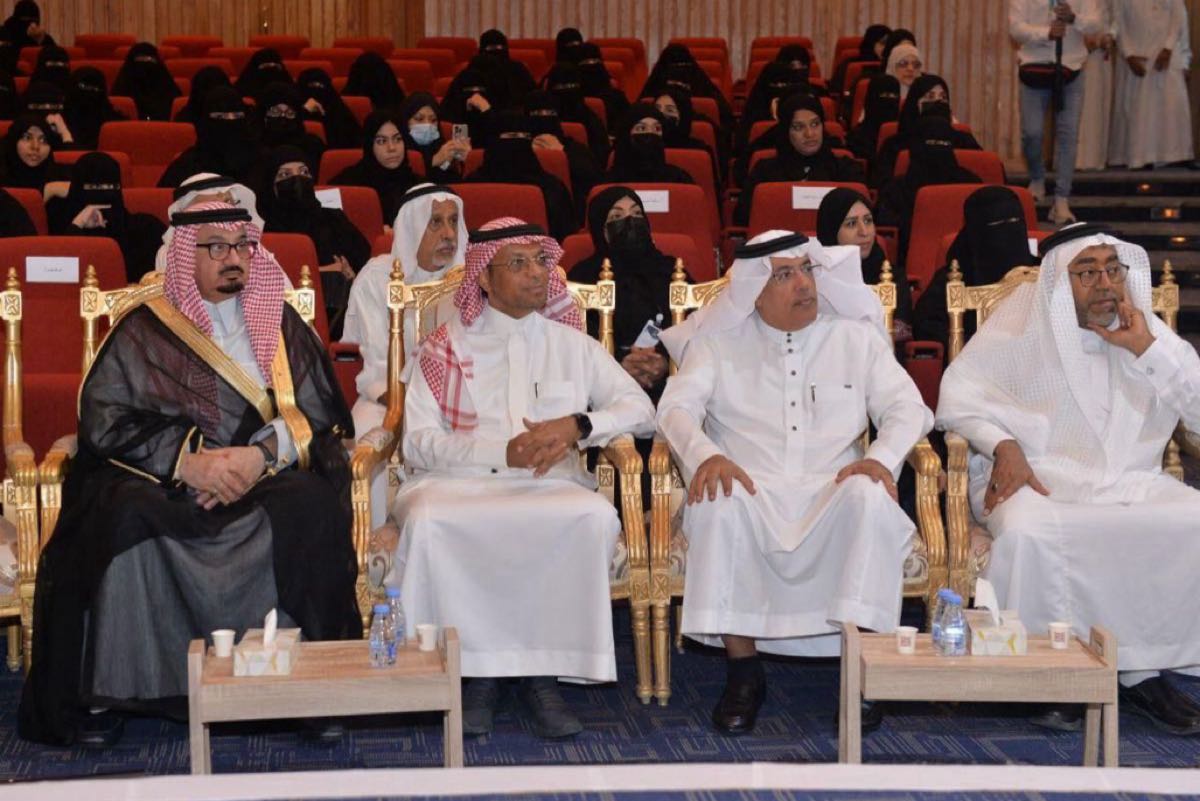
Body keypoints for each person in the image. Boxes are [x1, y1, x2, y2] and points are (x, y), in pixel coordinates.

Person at [17, 200, 362, 748]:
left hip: (262, 474)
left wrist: (258, 456)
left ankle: (310, 688)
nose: (233, 258)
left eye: (241, 246)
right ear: (185, 255)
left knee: (311, 506)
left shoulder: (280, 324)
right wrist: (188, 464)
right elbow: (103, 418)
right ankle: (115, 690)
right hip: (168, 479)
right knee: (122, 514)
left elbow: (319, 412)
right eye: (216, 247)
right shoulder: (145, 327)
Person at [388, 217, 655, 738]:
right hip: (455, 482)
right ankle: (477, 673)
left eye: (540, 262)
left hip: (552, 482)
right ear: (484, 279)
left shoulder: (572, 344)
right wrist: (499, 453)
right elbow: (416, 442)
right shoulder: (443, 348)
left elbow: (641, 410)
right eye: (519, 263)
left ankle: (541, 673)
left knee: (591, 517)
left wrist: (580, 425)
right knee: (431, 521)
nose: (537, 273)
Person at [656, 230, 932, 734]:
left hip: (834, 485)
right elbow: (675, 409)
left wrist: (880, 458)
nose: (804, 283)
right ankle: (743, 671)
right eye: (785, 275)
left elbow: (907, 408)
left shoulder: (854, 338)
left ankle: (861, 672)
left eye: (807, 269)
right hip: (750, 485)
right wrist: (707, 456)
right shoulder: (716, 344)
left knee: (870, 498)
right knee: (718, 499)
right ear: (754, 291)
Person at [935, 222, 1200, 736]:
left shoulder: (1148, 333)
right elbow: (957, 398)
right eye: (1087, 273)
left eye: (1113, 270)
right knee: (1030, 534)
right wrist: (1002, 443)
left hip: (1129, 480)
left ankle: (1141, 670)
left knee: (1190, 520)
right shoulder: (1019, 332)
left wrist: (1147, 349)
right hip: (1038, 480)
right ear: (1059, 282)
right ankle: (1046, 674)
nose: (1105, 284)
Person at [342, 184, 467, 529]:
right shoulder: (377, 278)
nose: (448, 234)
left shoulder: (471, 279)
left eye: (453, 221)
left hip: (462, 401)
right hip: (389, 397)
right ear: (412, 226)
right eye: (436, 222)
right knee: (365, 438)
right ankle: (373, 546)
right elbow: (379, 363)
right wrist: (417, 408)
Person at [572, 186, 676, 402]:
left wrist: (665, 361)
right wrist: (619, 363)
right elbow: (574, 339)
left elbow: (695, 327)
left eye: (637, 214)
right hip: (601, 388)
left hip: (670, 386)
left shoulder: (672, 271)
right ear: (601, 229)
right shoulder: (583, 276)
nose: (630, 221)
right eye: (616, 217)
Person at [1009, 0, 1104, 225]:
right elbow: (1015, 28)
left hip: (1072, 68)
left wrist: (1074, 18)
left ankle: (1062, 198)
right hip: (1034, 67)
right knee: (1032, 133)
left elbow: (1096, 24)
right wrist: (1046, 33)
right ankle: (1037, 177)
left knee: (1068, 134)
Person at [260, 145, 370, 337]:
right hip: (280, 326)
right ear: (272, 186)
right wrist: (324, 273)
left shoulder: (335, 220)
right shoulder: (263, 232)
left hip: (342, 321)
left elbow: (368, 269)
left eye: (304, 172)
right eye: (285, 175)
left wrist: (354, 279)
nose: (297, 180)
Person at [912, 185, 1035, 350]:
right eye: (996, 224)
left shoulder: (1041, 271)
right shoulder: (954, 278)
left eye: (1015, 222)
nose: (1008, 233)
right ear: (977, 231)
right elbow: (926, 325)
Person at [735, 94, 865, 227]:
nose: (809, 134)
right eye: (798, 127)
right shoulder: (764, 172)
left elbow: (865, 221)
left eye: (815, 124)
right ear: (786, 131)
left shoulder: (847, 170)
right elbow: (743, 219)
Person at [874, 112, 981, 265]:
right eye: (930, 143)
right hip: (908, 268)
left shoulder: (971, 185)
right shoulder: (896, 190)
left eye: (942, 143)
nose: (937, 150)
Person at [46, 151, 165, 282]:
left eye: (111, 186)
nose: (105, 193)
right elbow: (55, 277)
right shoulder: (58, 227)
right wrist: (77, 225)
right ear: (77, 189)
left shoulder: (147, 229)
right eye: (95, 186)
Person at [466, 109, 577, 241]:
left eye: (524, 137)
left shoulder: (552, 188)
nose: (518, 142)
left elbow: (566, 241)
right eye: (511, 135)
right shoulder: (469, 187)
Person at [1108, 0, 1194, 169]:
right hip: (1137, 53)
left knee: (1172, 107)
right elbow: (1118, 22)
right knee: (1140, 108)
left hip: (1167, 54)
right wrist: (1128, 54)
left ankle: (1176, 155)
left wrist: (1168, 48)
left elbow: (1178, 16)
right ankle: (1140, 157)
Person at [817, 187, 912, 339]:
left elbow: (901, 333)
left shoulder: (891, 276)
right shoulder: (813, 277)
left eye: (868, 221)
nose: (864, 232)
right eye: (851, 224)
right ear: (831, 230)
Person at [873, 74, 982, 186]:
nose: (938, 103)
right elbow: (884, 186)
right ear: (915, 104)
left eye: (943, 97)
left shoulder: (964, 141)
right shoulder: (895, 145)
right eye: (930, 97)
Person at [154, 172, 265, 271]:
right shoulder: (169, 254)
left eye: (228, 202)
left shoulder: (251, 250)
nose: (224, 211)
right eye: (211, 206)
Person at [330, 109, 420, 226]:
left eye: (397, 139)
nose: (392, 148)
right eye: (381, 141)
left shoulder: (418, 185)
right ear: (369, 146)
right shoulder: (348, 184)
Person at [159, 85, 260, 188]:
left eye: (237, 116)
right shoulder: (187, 165)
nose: (230, 122)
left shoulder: (261, 163)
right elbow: (165, 195)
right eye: (220, 116)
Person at [525, 89, 603, 217]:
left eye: (550, 113)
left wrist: (562, 152)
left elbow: (594, 180)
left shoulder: (575, 148)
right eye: (536, 113)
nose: (544, 117)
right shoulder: (518, 148)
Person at [605, 102, 694, 185]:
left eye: (657, 129)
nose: (651, 133)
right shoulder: (609, 182)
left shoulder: (678, 179)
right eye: (642, 128)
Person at [544, 61, 610, 166]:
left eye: (571, 85)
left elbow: (601, 157)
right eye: (560, 87)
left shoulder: (591, 122)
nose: (566, 92)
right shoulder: (543, 120)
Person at [1075, 0, 1115, 170]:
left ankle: (1096, 159)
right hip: (1079, 54)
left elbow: (1114, 19)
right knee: (1083, 105)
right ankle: (1079, 159)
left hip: (1101, 57)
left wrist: (1110, 36)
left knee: (1098, 105)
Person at [255, 81, 326, 168]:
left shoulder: (312, 145)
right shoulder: (256, 148)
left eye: (289, 113)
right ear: (264, 117)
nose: (283, 117)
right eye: (275, 112)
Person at [399, 91, 468, 178]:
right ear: (406, 121)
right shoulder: (397, 150)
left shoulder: (440, 146)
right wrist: (433, 161)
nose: (427, 125)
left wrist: (461, 160)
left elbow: (452, 179)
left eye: (433, 120)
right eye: (419, 119)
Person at [110, 42, 180, 121]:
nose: (144, 70)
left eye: (149, 61)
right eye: (140, 61)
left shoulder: (170, 94)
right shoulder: (120, 94)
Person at [296, 67, 360, 149]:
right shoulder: (293, 111)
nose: (317, 91)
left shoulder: (339, 110)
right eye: (311, 85)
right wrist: (304, 111)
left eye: (320, 86)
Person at [0, 113, 67, 190]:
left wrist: (65, 134)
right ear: (14, 141)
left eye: (43, 140)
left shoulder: (56, 178)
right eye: (27, 137)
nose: (35, 146)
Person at [63, 67, 123, 150]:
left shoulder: (116, 125)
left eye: (95, 88)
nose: (90, 92)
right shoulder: (58, 122)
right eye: (83, 86)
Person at [846, 74, 901, 162]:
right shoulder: (856, 139)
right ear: (872, 97)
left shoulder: (903, 136)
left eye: (894, 95)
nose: (890, 100)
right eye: (885, 94)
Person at [576, 42, 629, 132]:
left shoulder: (617, 98)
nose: (591, 70)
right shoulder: (571, 100)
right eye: (586, 63)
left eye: (596, 62)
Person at [831, 23, 890, 97]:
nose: (887, 48)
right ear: (871, 43)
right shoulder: (849, 65)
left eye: (889, 44)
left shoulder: (893, 65)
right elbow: (837, 92)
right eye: (883, 43)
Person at [478, 29, 536, 103]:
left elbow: (532, 94)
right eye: (491, 48)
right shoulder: (476, 70)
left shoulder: (518, 69)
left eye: (499, 48)